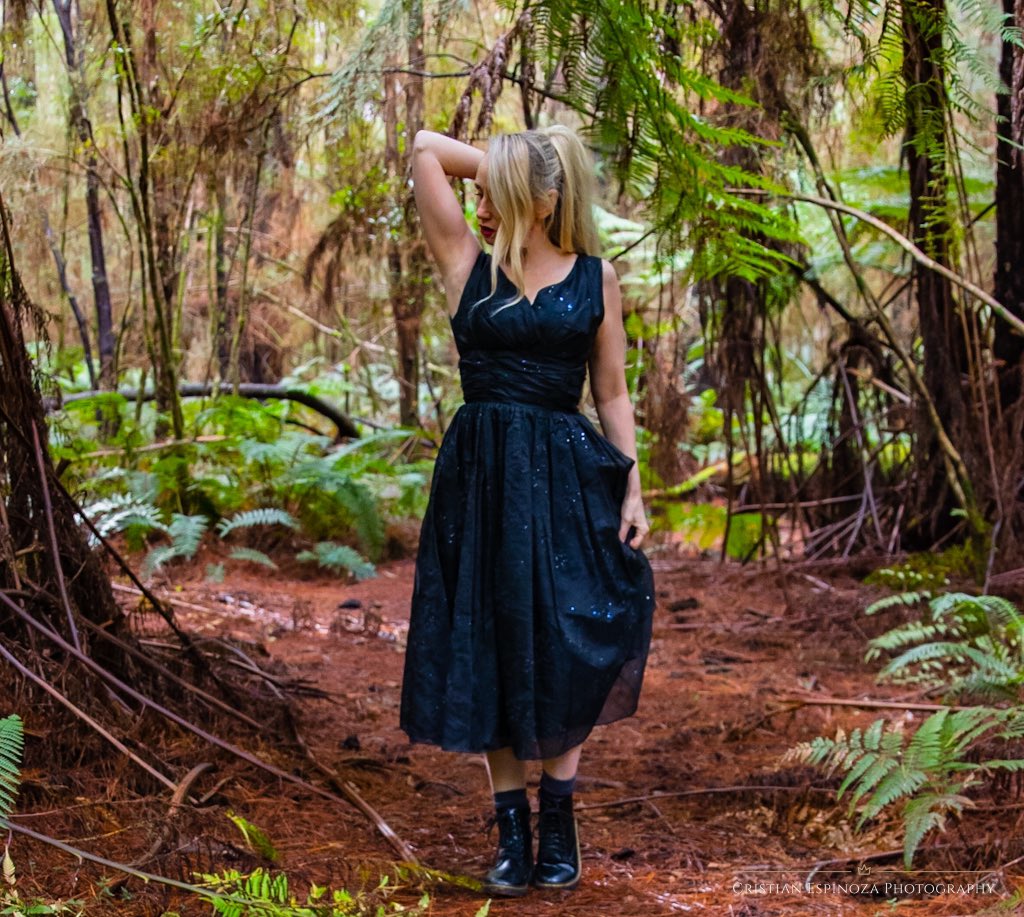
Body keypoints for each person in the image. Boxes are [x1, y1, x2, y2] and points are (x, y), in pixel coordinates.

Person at [399, 124, 655, 896]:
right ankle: (511, 831)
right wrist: (507, 169)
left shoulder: (596, 278)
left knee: (566, 633)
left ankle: (560, 820)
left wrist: (634, 487)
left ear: (546, 201)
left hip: (569, 479)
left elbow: (610, 390)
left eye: (501, 194)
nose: (479, 204)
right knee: (492, 639)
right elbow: (422, 146)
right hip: (479, 479)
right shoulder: (467, 264)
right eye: (482, 192)